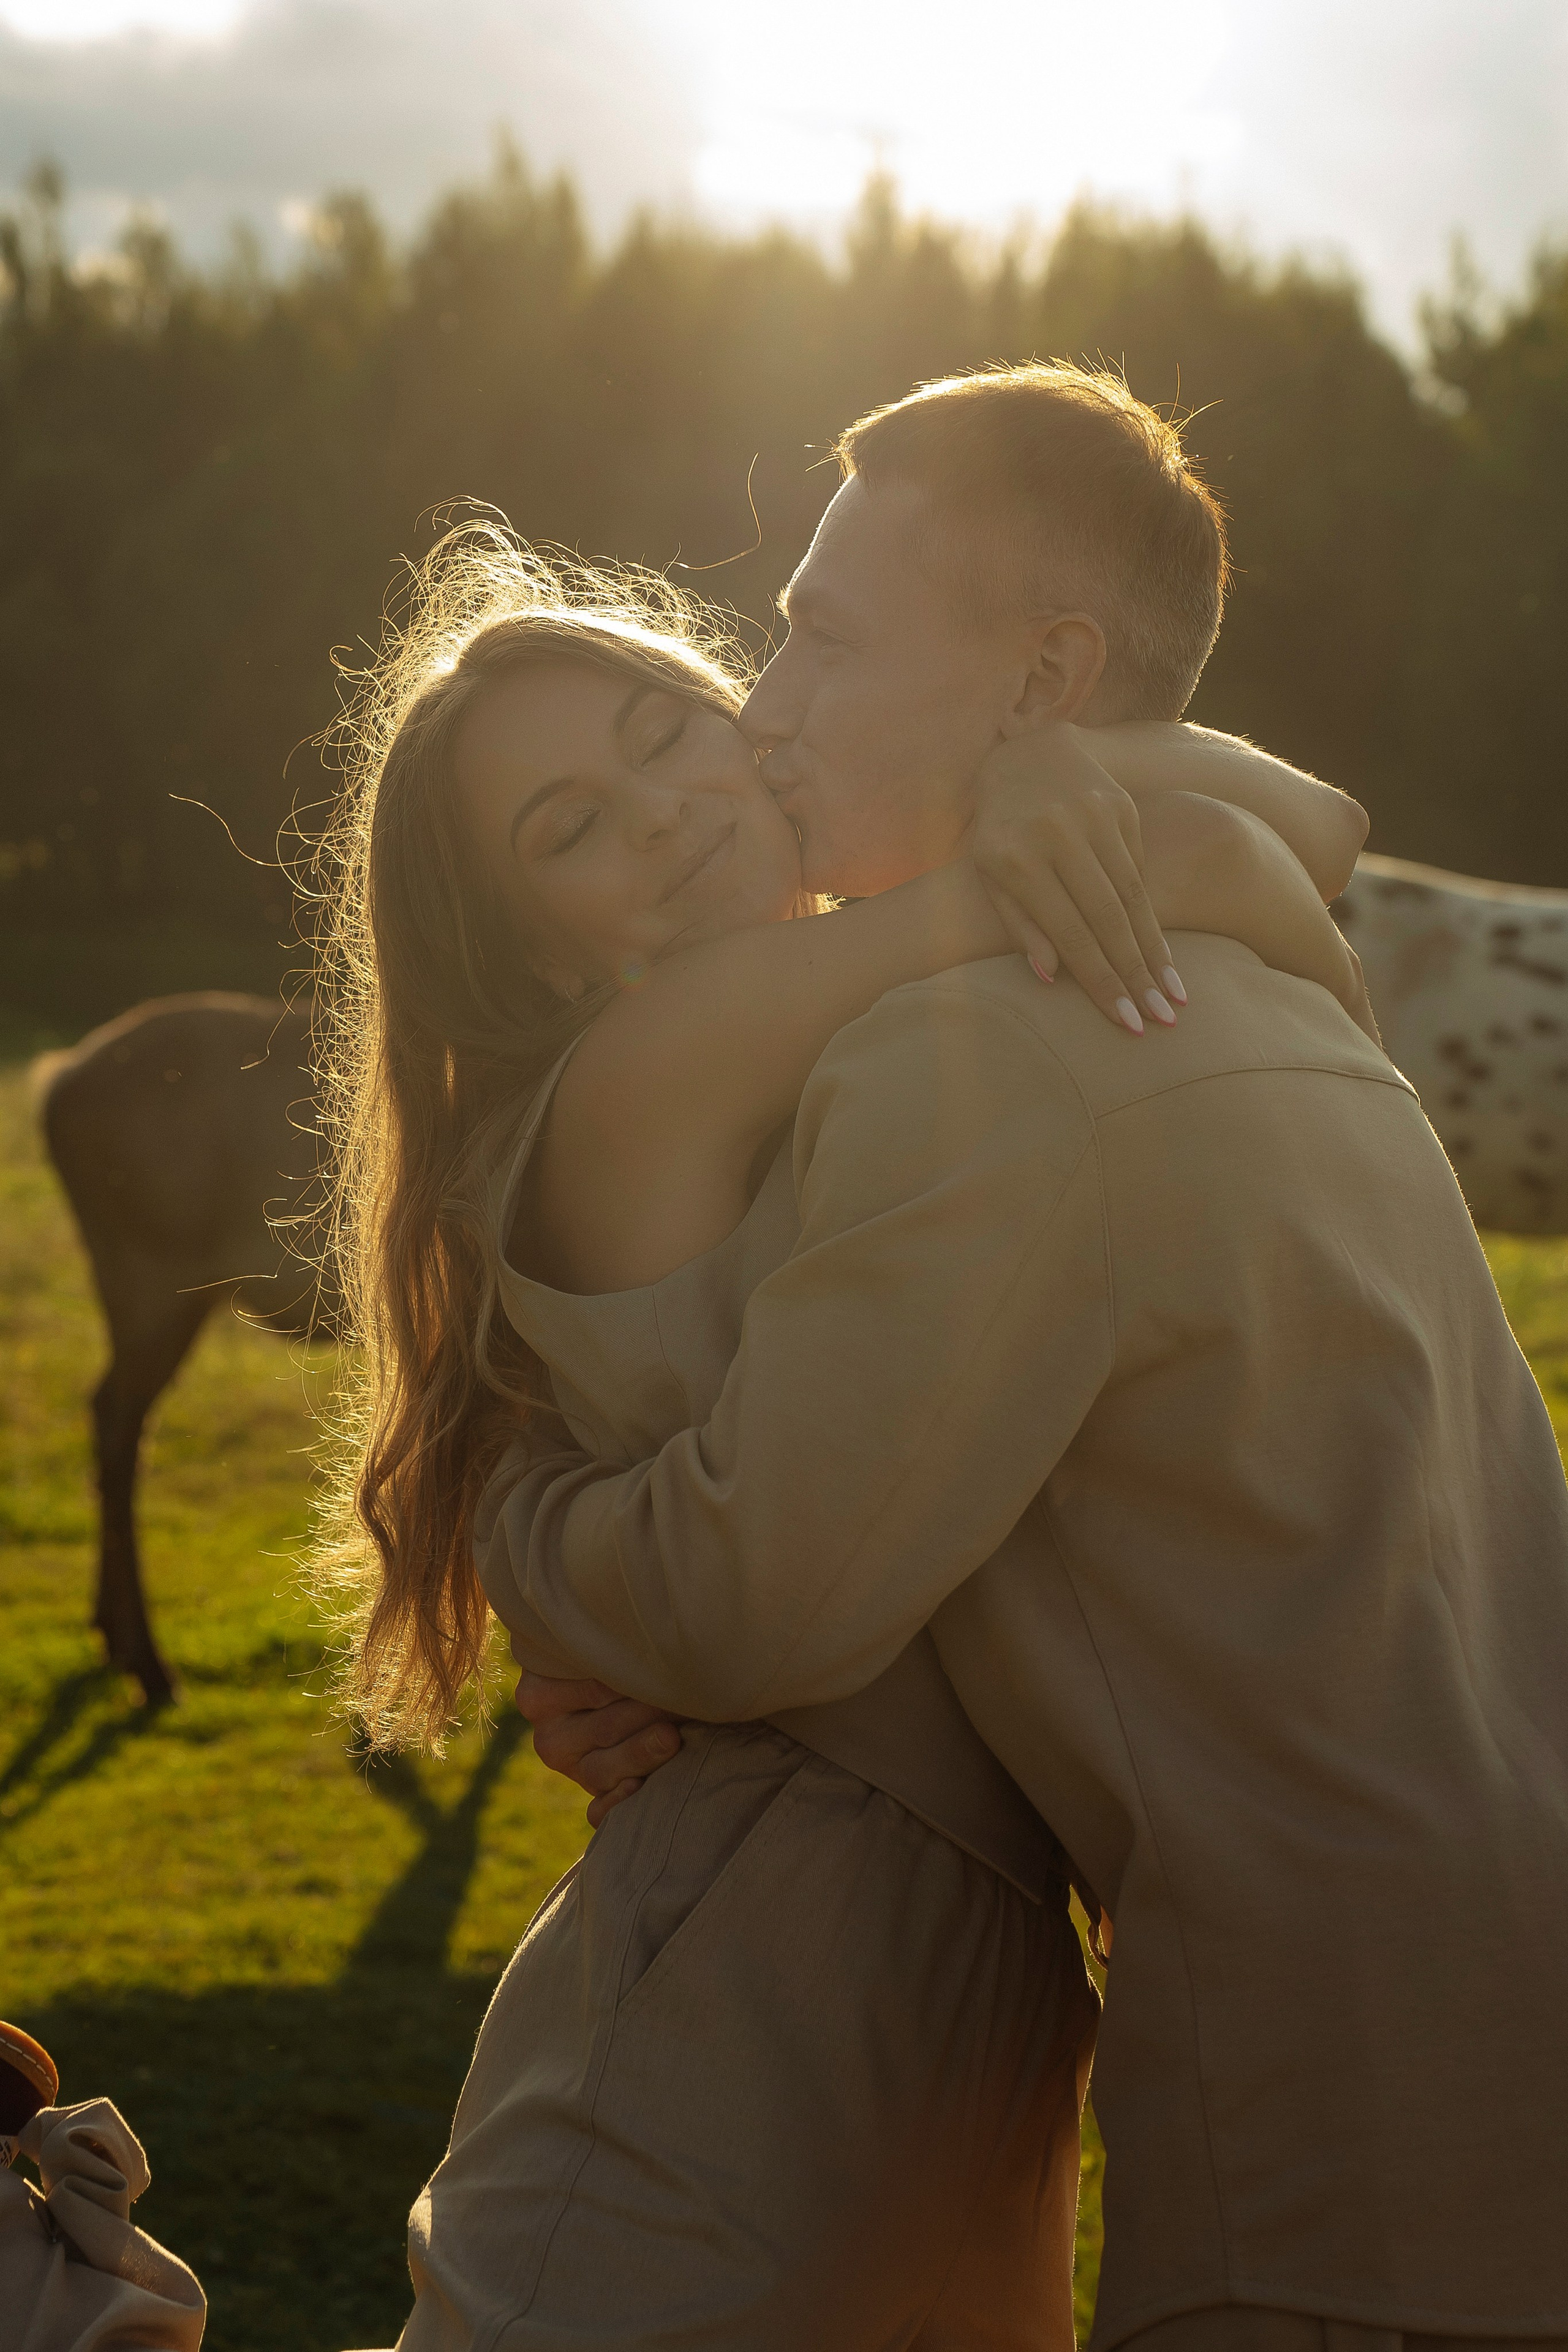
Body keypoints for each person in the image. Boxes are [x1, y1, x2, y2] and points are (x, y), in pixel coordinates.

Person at [476, 367, 1568, 2351]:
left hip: (1348, 2143)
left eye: (819, 631)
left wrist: (524, 1535)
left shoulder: (990, 1062)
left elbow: (752, 1599)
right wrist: (1083, 781)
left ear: (1047, 674)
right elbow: (1302, 822)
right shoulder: (1239, 967)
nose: (764, 704)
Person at [311, 472, 1369, 2343]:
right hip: (744, 1973)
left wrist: (1041, 763)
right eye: (574, 826)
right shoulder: (650, 1060)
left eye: (669, 736)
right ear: (545, 953)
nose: (664, 816)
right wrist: (1041, 774)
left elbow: (1319, 819)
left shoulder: (830, 1048)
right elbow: (1248, 855)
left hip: (960, 1983)